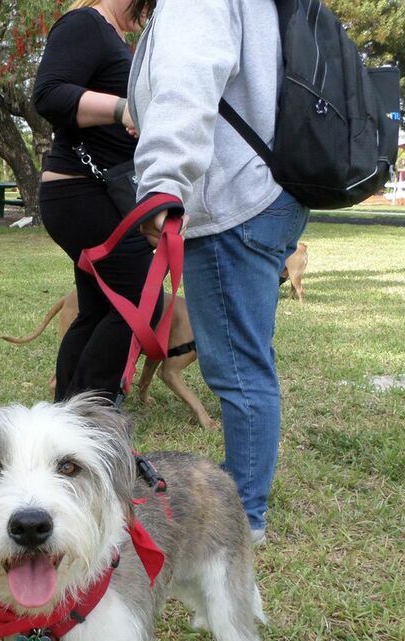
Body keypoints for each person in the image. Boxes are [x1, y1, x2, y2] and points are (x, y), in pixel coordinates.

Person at [128, 0, 310, 545]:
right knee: (250, 359)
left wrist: (163, 180)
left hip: (233, 200)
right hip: (273, 194)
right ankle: (247, 507)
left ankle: (242, 520)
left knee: (238, 369)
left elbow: (189, 76)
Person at [32, 0, 161, 403]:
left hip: (95, 193)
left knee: (100, 307)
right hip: (80, 192)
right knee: (141, 300)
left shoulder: (117, 38)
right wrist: (124, 108)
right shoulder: (85, 23)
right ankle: (90, 418)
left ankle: (67, 415)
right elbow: (49, 94)